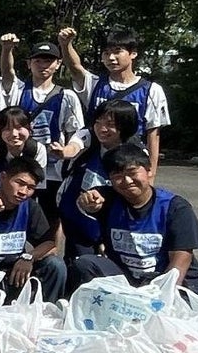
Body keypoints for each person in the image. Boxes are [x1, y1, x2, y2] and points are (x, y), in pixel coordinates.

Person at [69, 143, 198, 295]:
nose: (127, 181)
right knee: (85, 263)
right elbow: (89, 199)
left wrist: (161, 298)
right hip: (128, 280)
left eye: (132, 172)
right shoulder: (108, 201)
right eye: (118, 176)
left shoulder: (176, 208)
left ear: (149, 170)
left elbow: (179, 263)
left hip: (170, 283)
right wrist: (86, 201)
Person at [61, 25, 169, 173]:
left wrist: (150, 173)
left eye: (117, 52)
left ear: (133, 53)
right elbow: (74, 67)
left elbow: (153, 135)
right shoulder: (94, 84)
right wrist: (65, 44)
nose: (111, 58)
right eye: (106, 53)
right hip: (93, 163)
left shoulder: (151, 90)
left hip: (129, 162)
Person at [0, 155, 65, 301]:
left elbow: (49, 244)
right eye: (19, 183)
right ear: (3, 178)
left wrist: (28, 257)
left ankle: (46, 312)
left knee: (55, 265)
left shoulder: (30, 207)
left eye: (30, 188)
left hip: (13, 275)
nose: (23, 191)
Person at [0, 35, 85, 204]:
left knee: (49, 217)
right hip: (18, 165)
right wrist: (7, 49)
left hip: (53, 169)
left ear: (58, 64)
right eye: (38, 61)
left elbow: (76, 133)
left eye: (48, 61)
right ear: (29, 64)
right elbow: (7, 73)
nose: (43, 66)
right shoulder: (19, 90)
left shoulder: (66, 96)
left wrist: (66, 151)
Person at [58, 99, 140, 263]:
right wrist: (64, 152)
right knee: (78, 263)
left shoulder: (135, 152)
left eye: (110, 124)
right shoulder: (89, 135)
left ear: (125, 125)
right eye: (98, 122)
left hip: (115, 220)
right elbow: (75, 144)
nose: (102, 128)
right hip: (77, 215)